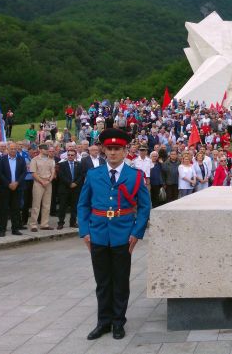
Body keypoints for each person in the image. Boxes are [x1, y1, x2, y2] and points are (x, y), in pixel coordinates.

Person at [77, 128, 150, 340]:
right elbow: (83, 205)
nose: (113, 153)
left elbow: (144, 207)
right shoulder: (93, 174)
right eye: (109, 148)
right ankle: (103, 322)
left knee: (120, 280)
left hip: (123, 235)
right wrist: (85, 231)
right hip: (98, 234)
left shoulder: (135, 176)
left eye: (117, 149)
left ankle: (118, 322)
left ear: (126, 150)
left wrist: (137, 232)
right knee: (102, 282)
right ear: (103, 150)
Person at [0, 142, 26, 237]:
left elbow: (24, 172)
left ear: (17, 149)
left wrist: (16, 183)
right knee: (3, 209)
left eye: (14, 148)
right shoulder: (2, 159)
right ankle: (2, 229)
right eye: (11, 149)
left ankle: (15, 228)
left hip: (17, 188)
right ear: (7, 149)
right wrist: (8, 184)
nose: (13, 150)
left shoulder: (21, 159)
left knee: (15, 209)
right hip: (5, 188)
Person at [29, 144, 56, 231]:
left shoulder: (51, 160)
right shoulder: (34, 160)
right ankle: (33, 224)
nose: (47, 150)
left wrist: (49, 181)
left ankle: (44, 224)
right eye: (45, 149)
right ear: (40, 150)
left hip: (48, 183)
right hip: (38, 183)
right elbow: (33, 173)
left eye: (47, 149)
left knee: (47, 204)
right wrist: (42, 181)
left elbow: (53, 171)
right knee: (36, 204)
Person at [58, 150, 82, 229]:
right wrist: (69, 183)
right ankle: (61, 223)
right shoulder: (61, 165)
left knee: (74, 207)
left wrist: (75, 183)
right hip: (65, 189)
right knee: (62, 207)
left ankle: (73, 222)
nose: (70, 156)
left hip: (75, 189)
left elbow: (81, 175)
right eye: (69, 155)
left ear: (75, 156)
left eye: (72, 155)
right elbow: (61, 176)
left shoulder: (78, 164)